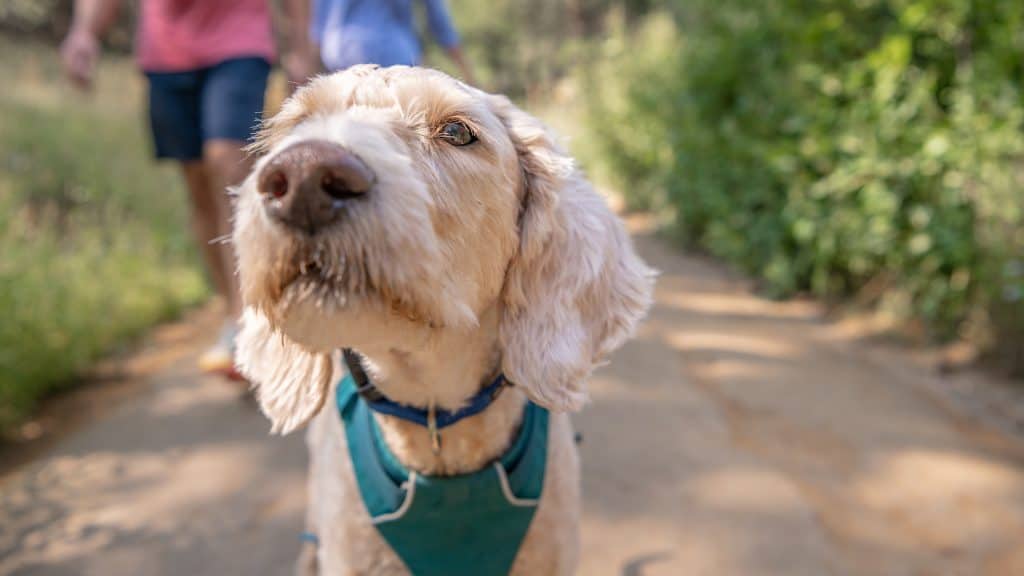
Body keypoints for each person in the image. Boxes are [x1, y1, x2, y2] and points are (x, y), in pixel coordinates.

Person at [61, 0, 316, 376]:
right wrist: (84, 33)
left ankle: (254, 315)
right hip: (166, 55)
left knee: (228, 164)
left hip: (239, 45)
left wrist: (301, 48)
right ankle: (234, 313)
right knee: (199, 187)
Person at [311, 0, 474, 84]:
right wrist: (466, 71)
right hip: (393, 53)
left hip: (340, 52)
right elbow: (439, 21)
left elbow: (319, 23)